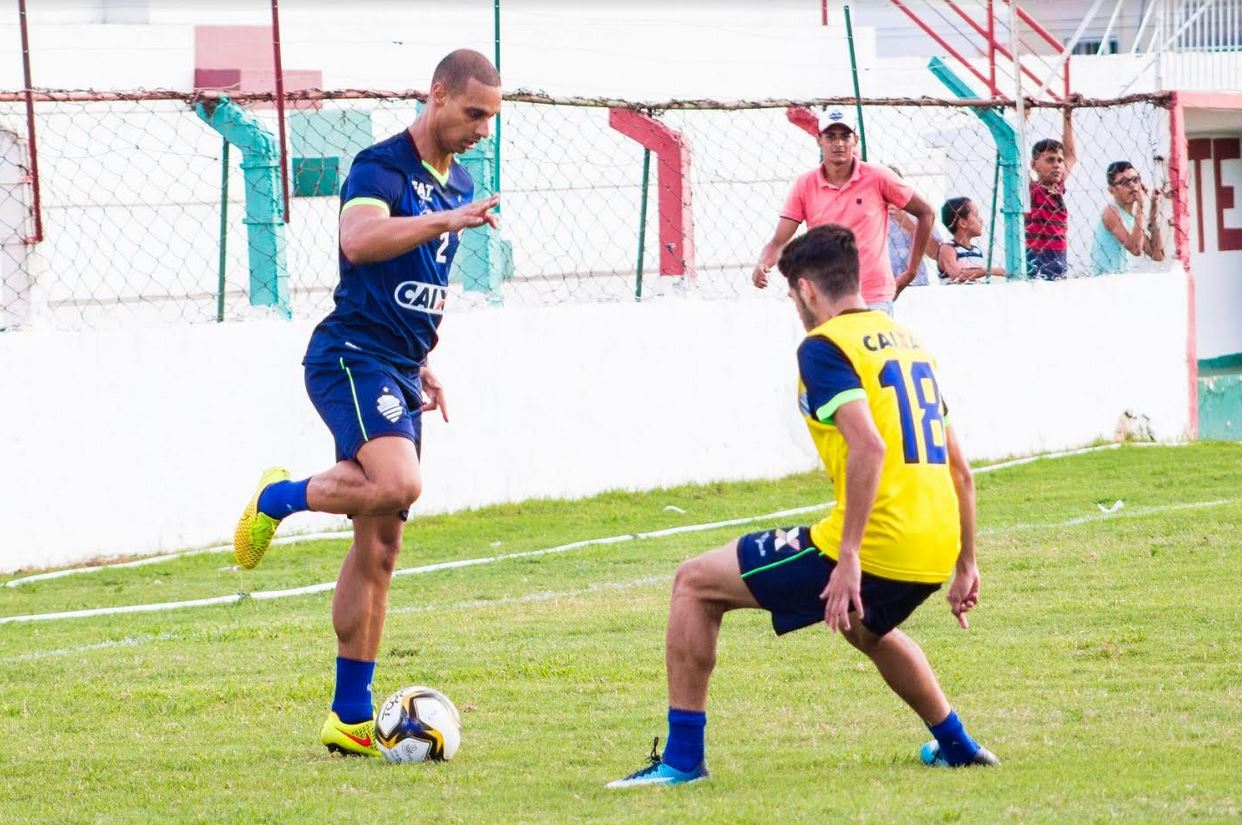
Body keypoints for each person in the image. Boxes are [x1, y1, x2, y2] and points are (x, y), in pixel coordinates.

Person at [608, 225, 998, 789]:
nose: (796, 308)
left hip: (880, 544)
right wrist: (966, 562)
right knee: (866, 629)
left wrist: (847, 558)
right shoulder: (905, 340)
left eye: (793, 296)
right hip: (935, 546)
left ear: (808, 290)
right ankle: (957, 745)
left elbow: (869, 444)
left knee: (694, 584)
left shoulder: (823, 347)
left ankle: (682, 761)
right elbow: (960, 468)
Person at [231, 49, 502, 757]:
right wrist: (444, 223)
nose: (481, 129)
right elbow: (359, 240)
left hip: (398, 367)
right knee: (397, 482)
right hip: (349, 357)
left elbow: (412, 291)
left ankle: (348, 716)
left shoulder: (462, 180)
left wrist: (425, 362)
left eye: (490, 118)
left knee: (380, 545)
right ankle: (280, 499)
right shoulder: (380, 166)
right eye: (473, 113)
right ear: (436, 95)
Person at [752, 108, 936, 314]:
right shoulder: (804, 185)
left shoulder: (878, 177)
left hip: (874, 299)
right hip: (826, 299)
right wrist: (763, 263)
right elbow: (778, 241)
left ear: (855, 139)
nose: (838, 143)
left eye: (845, 136)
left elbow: (926, 212)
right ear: (819, 140)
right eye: (831, 137)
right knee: (829, 348)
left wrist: (910, 272)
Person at [1026, 102, 1077, 280]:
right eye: (1049, 160)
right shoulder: (1032, 190)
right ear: (1034, 165)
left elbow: (1071, 155)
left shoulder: (1058, 188)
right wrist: (1023, 118)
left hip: (1059, 260)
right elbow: (1016, 157)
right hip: (1036, 260)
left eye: (1058, 160)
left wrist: (1067, 114)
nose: (1056, 165)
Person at [1091, 161, 1165, 275]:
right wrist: (1140, 206)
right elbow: (1135, 249)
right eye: (1124, 182)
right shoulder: (1111, 211)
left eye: (1136, 180)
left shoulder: (1132, 219)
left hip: (1120, 283)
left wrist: (1153, 211)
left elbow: (1157, 255)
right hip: (1104, 283)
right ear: (1112, 190)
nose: (1133, 185)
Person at [886, 166, 943, 288]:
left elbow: (935, 254)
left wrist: (909, 225)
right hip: (881, 285)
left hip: (916, 283)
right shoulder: (867, 215)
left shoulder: (920, 213)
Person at [938, 197, 1005, 284]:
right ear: (963, 223)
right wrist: (989, 271)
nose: (981, 220)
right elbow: (957, 274)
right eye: (976, 215)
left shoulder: (977, 251)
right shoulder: (948, 248)